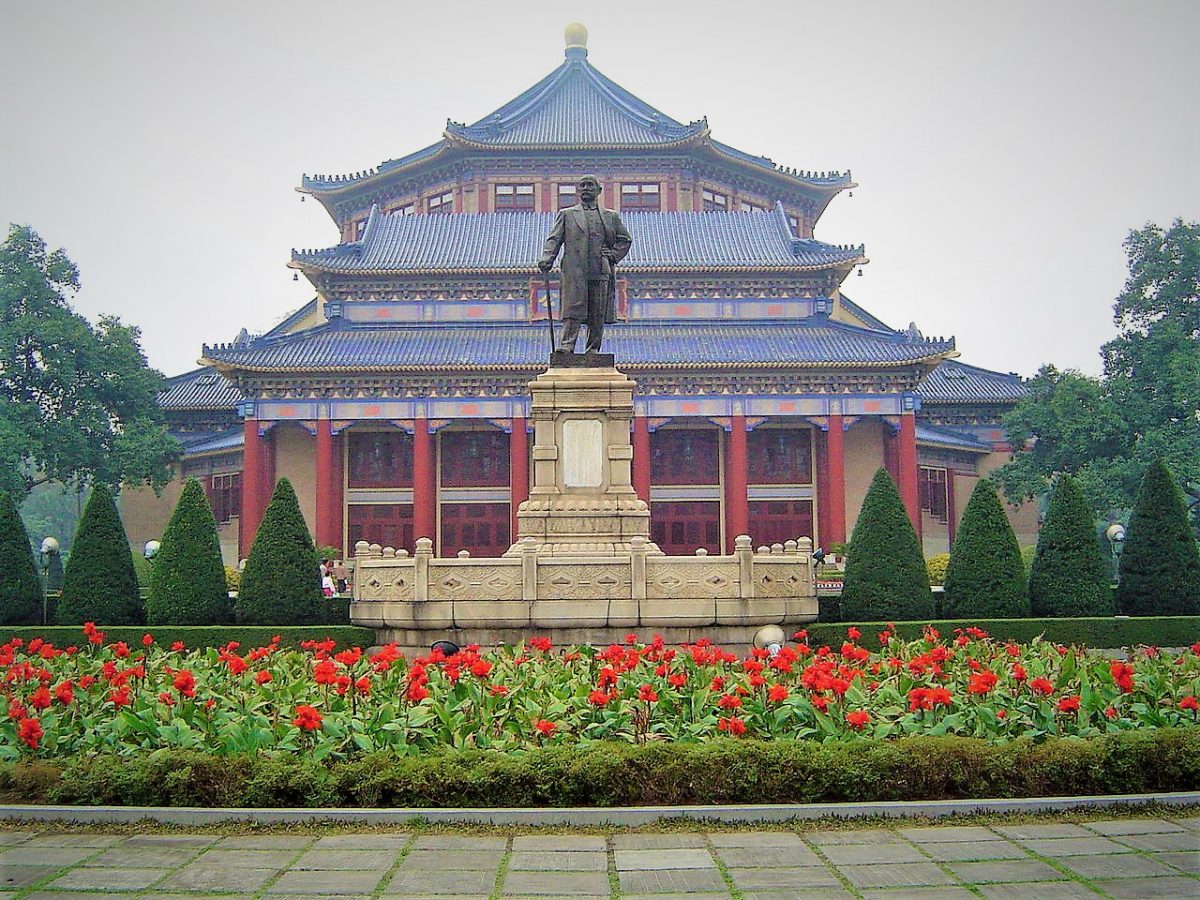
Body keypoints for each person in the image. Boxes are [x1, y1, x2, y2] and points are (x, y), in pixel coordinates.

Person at [537, 175, 632, 354]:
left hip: (600, 269)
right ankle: (567, 345)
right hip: (575, 270)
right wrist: (547, 257)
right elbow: (554, 238)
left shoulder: (611, 216)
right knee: (573, 308)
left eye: (590, 185)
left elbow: (625, 240)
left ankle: (593, 348)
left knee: (597, 311)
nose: (585, 188)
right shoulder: (567, 215)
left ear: (599, 191)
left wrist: (612, 256)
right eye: (582, 185)